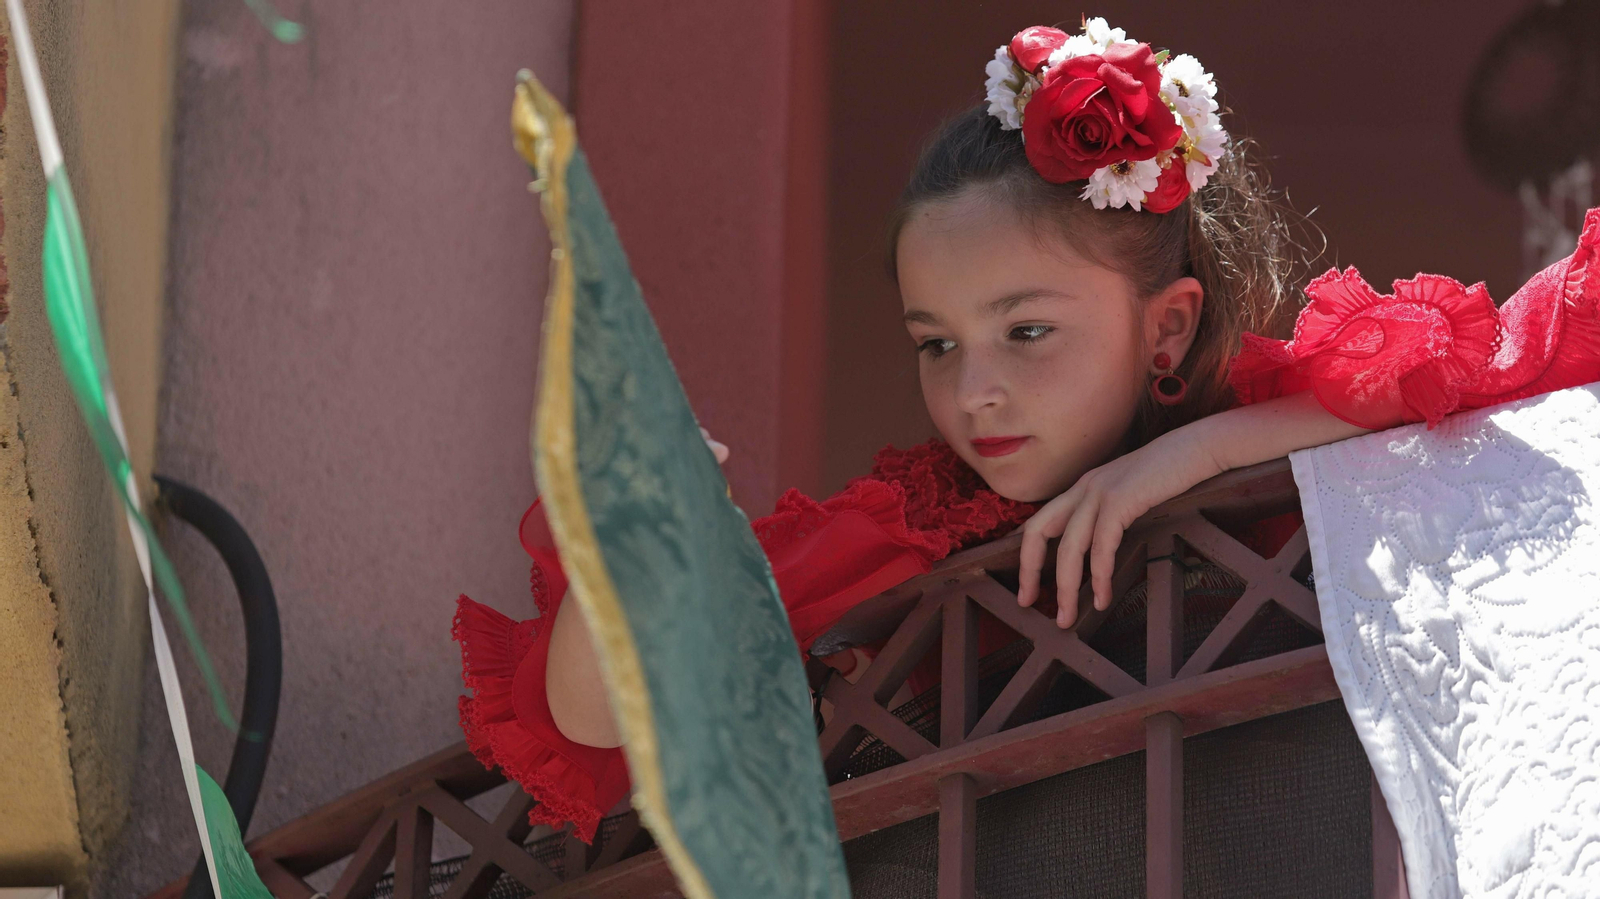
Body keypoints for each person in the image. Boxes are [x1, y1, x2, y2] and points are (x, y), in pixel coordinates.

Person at [453, 17, 1600, 842]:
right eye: (934, 342)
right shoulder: (917, 525)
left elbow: (1508, 365)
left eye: (1025, 333)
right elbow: (593, 721)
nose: (975, 391)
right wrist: (636, 541)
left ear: (1167, 332)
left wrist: (1190, 452)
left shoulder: (1263, 423)